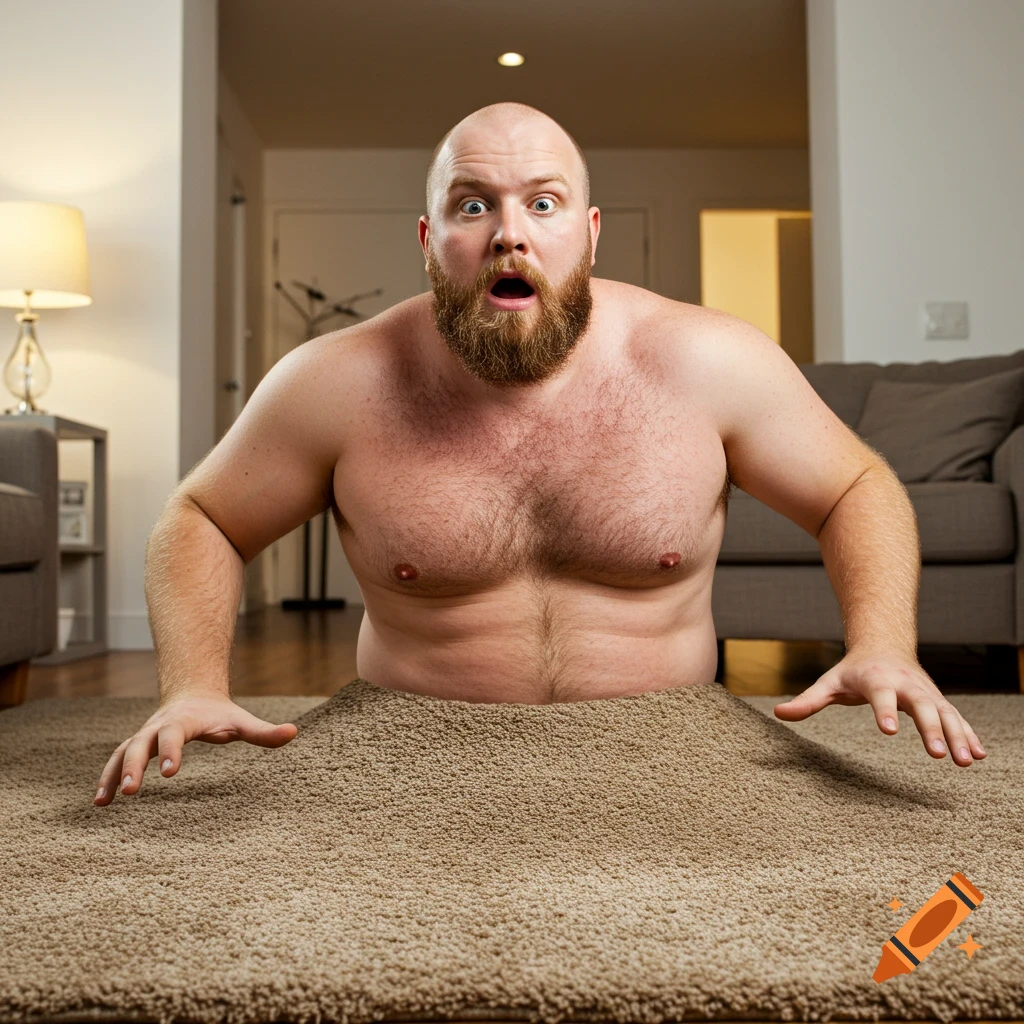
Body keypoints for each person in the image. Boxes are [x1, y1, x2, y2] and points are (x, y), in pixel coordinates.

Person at [93, 102, 986, 806]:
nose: (509, 234)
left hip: (671, 743)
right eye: (472, 204)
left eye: (543, 203)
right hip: (406, 749)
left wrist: (884, 644)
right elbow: (204, 515)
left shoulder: (710, 360)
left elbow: (854, 485)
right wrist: (192, 685)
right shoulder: (334, 381)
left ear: (589, 234)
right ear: (429, 241)